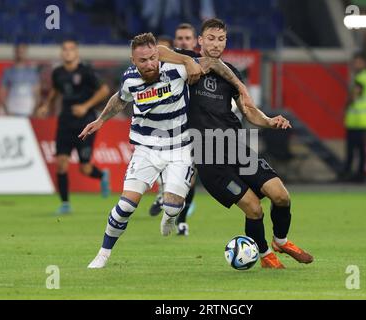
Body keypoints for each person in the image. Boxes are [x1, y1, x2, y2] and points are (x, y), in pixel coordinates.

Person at [82, 32, 250, 269]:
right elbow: (120, 98)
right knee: (125, 207)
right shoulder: (130, 79)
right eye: (143, 61)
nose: (150, 64)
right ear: (133, 61)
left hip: (180, 148)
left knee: (173, 206)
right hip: (146, 148)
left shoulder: (176, 69)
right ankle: (103, 254)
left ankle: (170, 217)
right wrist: (101, 120)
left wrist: (239, 86)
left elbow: (212, 62)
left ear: (158, 54)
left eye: (153, 58)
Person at [158, 18, 313, 269]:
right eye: (211, 38)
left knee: (281, 196)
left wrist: (269, 121)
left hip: (236, 148)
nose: (216, 44)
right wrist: (188, 60)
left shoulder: (231, 72)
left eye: (221, 39)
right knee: (254, 208)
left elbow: (248, 111)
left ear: (226, 42)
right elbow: (158, 51)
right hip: (209, 158)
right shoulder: (187, 62)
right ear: (200, 40)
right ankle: (264, 255)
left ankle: (280, 241)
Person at [36, 39, 111, 214]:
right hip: (65, 123)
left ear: (76, 52)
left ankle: (102, 176)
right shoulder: (57, 73)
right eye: (65, 49)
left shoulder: (86, 72)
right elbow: (55, 90)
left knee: (84, 168)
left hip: (85, 124)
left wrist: (85, 106)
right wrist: (47, 105)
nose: (68, 52)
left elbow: (104, 90)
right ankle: (65, 204)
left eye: (71, 49)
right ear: (61, 53)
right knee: (61, 163)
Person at [149, 23, 199, 237]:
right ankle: (164, 193)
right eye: (179, 38)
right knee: (162, 165)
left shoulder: (200, 63)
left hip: (194, 127)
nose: (183, 42)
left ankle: (183, 220)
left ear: (195, 41)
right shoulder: (166, 64)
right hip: (167, 126)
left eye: (187, 38)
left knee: (191, 177)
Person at [342, 52, 366, 183]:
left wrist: (346, 104)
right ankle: (358, 174)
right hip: (359, 120)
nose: (355, 64)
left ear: (364, 62)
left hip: (359, 120)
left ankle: (354, 174)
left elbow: (355, 95)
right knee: (359, 148)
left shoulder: (362, 77)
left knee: (355, 149)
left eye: (357, 62)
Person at [0, 43, 40, 117]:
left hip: (28, 112)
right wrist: (7, 111)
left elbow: (37, 94)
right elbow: (2, 94)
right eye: (19, 51)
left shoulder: (32, 72)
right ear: (15, 52)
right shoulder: (8, 72)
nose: (20, 54)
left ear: (26, 52)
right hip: (12, 112)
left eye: (22, 51)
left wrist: (34, 111)